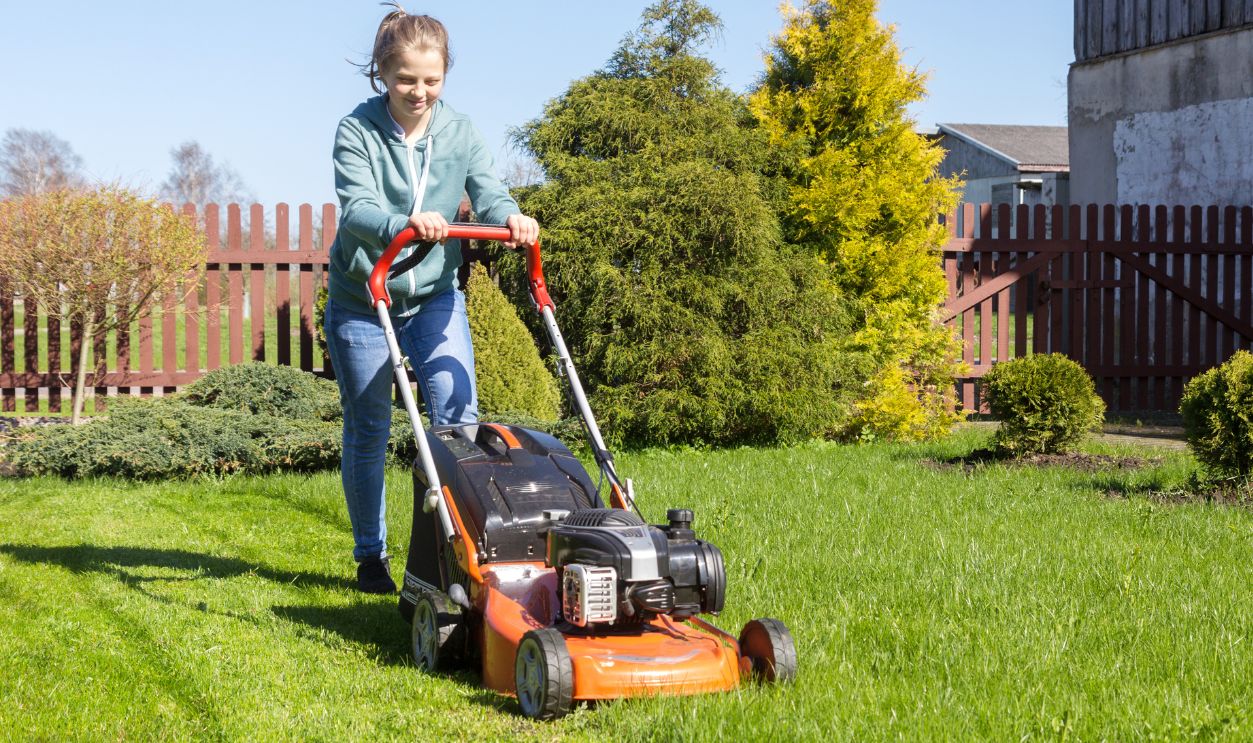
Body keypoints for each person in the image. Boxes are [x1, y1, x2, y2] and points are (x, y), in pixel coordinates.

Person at [324, 7, 539, 593]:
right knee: (368, 427)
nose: (419, 92)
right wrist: (404, 221)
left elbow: (489, 192)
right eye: (405, 79)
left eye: (431, 80)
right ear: (382, 74)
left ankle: (447, 548)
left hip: (435, 296)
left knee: (456, 418)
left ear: (445, 75)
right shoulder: (356, 131)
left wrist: (510, 217)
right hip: (364, 299)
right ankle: (371, 557)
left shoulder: (460, 132)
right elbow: (358, 207)